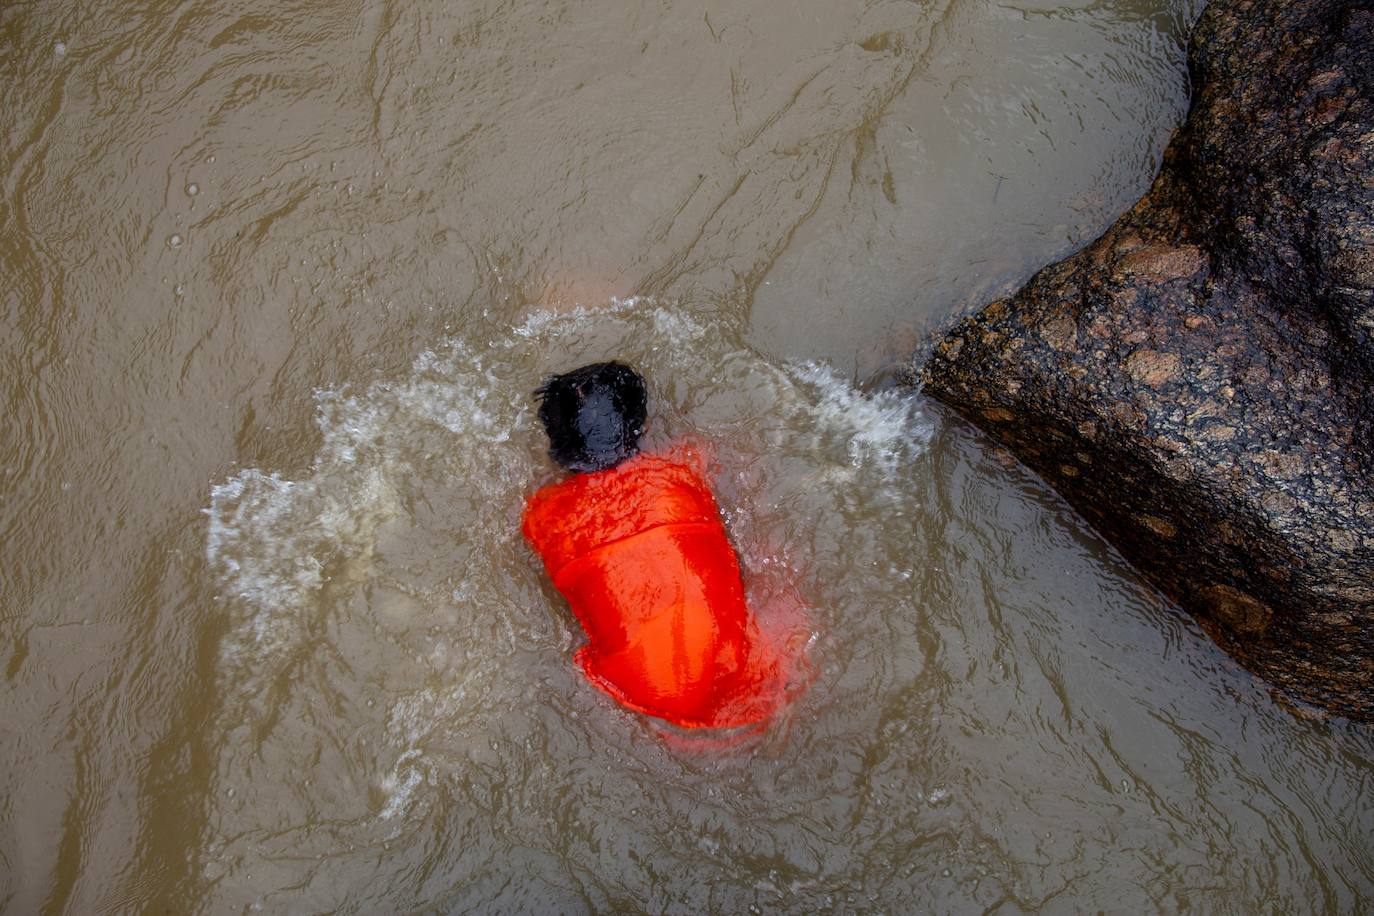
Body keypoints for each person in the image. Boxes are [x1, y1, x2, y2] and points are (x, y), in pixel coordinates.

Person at [522, 362, 791, 729]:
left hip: (641, 700)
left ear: (554, 446)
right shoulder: (685, 466)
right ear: (642, 426)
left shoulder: (543, 515)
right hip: (759, 685)